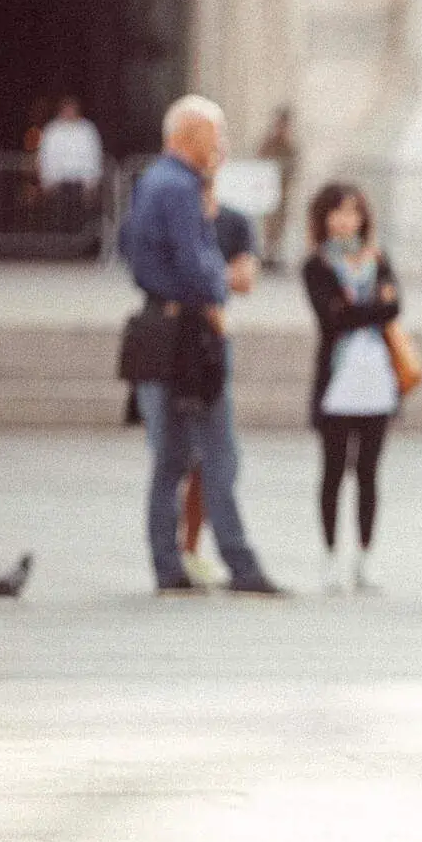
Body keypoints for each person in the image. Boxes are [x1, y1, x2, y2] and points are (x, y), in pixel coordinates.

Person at [120, 95, 283, 597]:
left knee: (170, 457)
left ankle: (169, 565)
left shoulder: (151, 181)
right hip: (191, 335)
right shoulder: (179, 187)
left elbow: (131, 247)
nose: (222, 145)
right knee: (217, 453)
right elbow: (199, 267)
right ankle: (240, 564)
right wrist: (220, 283)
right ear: (190, 136)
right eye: (217, 135)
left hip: (160, 327)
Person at [302, 183, 403, 595]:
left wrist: (356, 309)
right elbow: (332, 319)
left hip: (376, 377)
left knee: (368, 471)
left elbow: (393, 308)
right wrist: (370, 309)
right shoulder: (318, 265)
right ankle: (329, 555)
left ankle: (364, 556)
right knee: (333, 469)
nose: (346, 221)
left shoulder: (378, 259)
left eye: (353, 212)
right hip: (338, 379)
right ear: (324, 218)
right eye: (338, 212)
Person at [178, 191, 259, 587]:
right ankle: (180, 552)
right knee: (177, 457)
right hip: (172, 343)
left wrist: (205, 278)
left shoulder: (233, 221)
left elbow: (245, 279)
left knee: (218, 458)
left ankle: (190, 549)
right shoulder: (171, 211)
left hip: (211, 347)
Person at [37, 96, 106, 230]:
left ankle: (81, 246)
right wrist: (47, 181)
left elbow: (94, 155)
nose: (69, 112)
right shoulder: (52, 129)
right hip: (58, 183)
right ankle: (61, 246)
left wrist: (92, 182)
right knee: (58, 218)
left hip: (80, 182)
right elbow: (46, 155)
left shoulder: (87, 129)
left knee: (81, 218)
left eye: (72, 109)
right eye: (66, 109)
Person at [257, 106, 300, 272]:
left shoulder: (290, 145)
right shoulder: (269, 143)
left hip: (282, 192)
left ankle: (274, 254)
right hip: (267, 190)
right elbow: (261, 160)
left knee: (280, 224)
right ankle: (266, 254)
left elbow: (293, 166)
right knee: (268, 222)